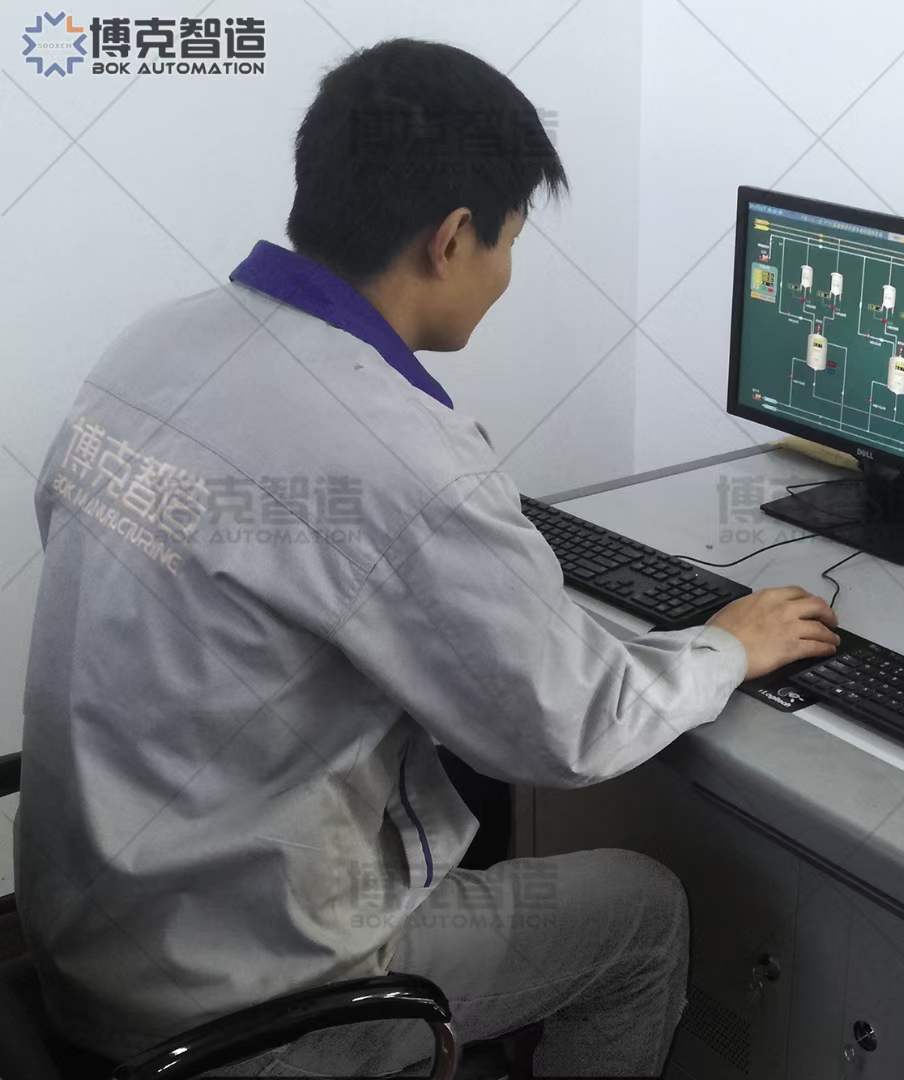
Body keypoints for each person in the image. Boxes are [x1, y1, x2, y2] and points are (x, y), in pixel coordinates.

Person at [15, 38, 839, 1078]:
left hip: (85, 942)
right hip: (251, 1006)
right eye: (509, 243)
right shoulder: (397, 452)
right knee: (640, 912)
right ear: (452, 239)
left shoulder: (156, 346)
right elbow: (568, 726)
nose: (505, 275)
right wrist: (727, 644)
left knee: (468, 797)